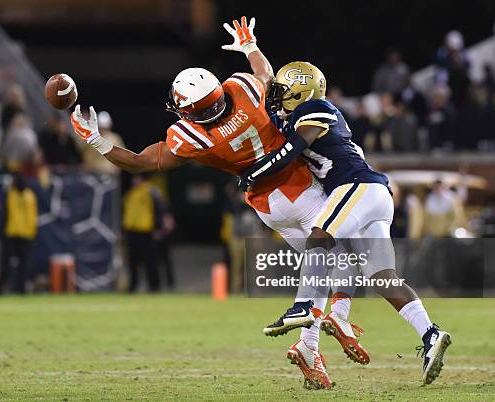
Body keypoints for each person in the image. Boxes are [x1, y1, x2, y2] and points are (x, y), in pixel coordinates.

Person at [69, 17, 364, 388]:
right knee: (350, 255)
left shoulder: (189, 135)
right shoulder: (239, 89)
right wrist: (250, 47)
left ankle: (309, 347)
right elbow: (267, 79)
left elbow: (140, 161)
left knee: (322, 264)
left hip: (266, 206)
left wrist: (96, 140)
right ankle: (333, 319)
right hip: (298, 187)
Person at [239, 61, 451, 386]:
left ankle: (304, 306)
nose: (277, 97)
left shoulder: (317, 108)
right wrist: (252, 54)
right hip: (372, 196)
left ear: (301, 91)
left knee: (320, 236)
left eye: (282, 92)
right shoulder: (299, 115)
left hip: (357, 187)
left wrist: (256, 172)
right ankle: (430, 333)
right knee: (382, 277)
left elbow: (293, 147)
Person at [0, 174, 38, 294]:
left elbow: (3, 216)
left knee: (19, 266)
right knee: (10, 266)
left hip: (20, 235)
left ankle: (18, 290)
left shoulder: (18, 195)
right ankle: (1, 290)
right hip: (16, 235)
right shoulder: (27, 196)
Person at [122, 174, 162, 292]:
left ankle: (154, 285)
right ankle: (133, 285)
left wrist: (157, 228)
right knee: (132, 261)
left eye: (137, 178)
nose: (134, 181)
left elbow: (159, 209)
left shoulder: (151, 191)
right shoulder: (131, 193)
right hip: (132, 230)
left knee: (150, 260)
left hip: (146, 231)